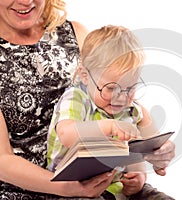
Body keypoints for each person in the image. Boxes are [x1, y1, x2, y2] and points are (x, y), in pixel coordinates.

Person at [0, 0, 175, 199]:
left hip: (105, 179)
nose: (25, 1)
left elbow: (123, 106)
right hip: (30, 189)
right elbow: (2, 160)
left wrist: (154, 150)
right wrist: (65, 188)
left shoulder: (74, 33)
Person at [47, 25, 175, 200]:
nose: (121, 98)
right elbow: (66, 134)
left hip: (115, 187)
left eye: (130, 89)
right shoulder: (76, 98)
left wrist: (139, 176)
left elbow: (135, 149)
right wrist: (108, 126)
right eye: (111, 88)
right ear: (85, 76)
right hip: (74, 188)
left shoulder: (129, 110)